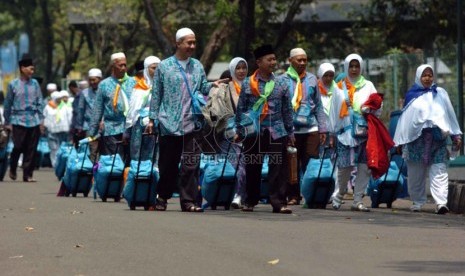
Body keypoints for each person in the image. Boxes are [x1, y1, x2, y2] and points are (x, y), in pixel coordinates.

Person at [146, 27, 227, 212]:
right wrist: (152, 120)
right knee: (168, 165)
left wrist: (212, 85)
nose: (192, 46)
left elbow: (202, 87)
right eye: (188, 42)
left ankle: (188, 201)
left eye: (194, 42)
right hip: (169, 123)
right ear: (178, 43)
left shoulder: (197, 65)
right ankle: (162, 197)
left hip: (192, 121)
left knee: (191, 163)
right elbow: (156, 94)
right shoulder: (164, 67)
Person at [393, 64, 462, 214]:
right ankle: (417, 201)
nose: (427, 78)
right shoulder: (412, 95)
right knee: (416, 172)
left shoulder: (441, 93)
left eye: (430, 75)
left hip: (438, 139)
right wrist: (400, 141)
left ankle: (441, 203)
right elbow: (405, 120)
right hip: (416, 140)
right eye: (424, 75)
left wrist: (455, 135)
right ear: (418, 76)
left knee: (439, 170)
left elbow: (449, 115)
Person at [235, 44, 295, 214]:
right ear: (259, 62)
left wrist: (290, 132)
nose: (273, 62)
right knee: (253, 167)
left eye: (274, 59)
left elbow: (287, 110)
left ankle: (278, 202)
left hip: (277, 131)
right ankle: (250, 200)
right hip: (255, 132)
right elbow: (241, 108)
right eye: (269, 59)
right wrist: (240, 130)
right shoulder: (248, 83)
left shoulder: (281, 83)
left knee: (278, 169)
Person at [328, 53, 379, 212]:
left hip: (364, 133)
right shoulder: (338, 88)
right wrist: (331, 133)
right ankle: (338, 196)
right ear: (346, 67)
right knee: (344, 167)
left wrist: (369, 109)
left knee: (364, 167)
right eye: (351, 66)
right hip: (344, 133)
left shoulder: (369, 85)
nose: (354, 69)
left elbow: (378, 106)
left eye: (357, 66)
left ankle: (358, 200)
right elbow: (333, 111)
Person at [280, 48, 327, 205]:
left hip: (311, 129)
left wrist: (323, 128)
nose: (302, 63)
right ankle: (293, 196)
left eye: (304, 60)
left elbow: (319, 106)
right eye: (299, 60)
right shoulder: (282, 80)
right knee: (292, 164)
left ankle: (310, 194)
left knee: (311, 163)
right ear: (290, 60)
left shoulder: (313, 79)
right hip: (291, 130)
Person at [207, 57, 248, 209]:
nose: (241, 71)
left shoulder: (252, 86)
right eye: (238, 68)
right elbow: (217, 111)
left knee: (248, 166)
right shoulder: (224, 88)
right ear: (232, 70)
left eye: (244, 68)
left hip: (249, 132)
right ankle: (235, 195)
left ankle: (243, 195)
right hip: (229, 133)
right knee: (235, 165)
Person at [3, 54, 45, 182]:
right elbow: (8, 103)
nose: (32, 71)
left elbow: (40, 101)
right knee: (18, 146)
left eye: (33, 69)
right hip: (17, 119)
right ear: (22, 68)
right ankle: (13, 167)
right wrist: (7, 121)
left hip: (33, 119)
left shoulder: (35, 84)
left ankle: (28, 174)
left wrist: (41, 121)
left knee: (31, 149)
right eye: (30, 69)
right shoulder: (13, 84)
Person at [88, 52, 135, 157]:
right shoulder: (104, 85)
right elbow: (97, 110)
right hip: (111, 130)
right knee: (114, 164)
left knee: (129, 163)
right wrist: (92, 133)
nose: (123, 68)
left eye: (125, 65)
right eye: (120, 65)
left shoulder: (133, 82)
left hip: (130, 129)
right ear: (113, 66)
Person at [125, 55, 160, 161]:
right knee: (138, 158)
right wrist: (127, 130)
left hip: (159, 127)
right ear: (146, 69)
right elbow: (132, 111)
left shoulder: (164, 86)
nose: (157, 71)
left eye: (159, 68)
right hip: (139, 129)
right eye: (154, 68)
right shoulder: (140, 87)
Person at [317, 62, 341, 200]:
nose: (328, 78)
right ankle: (320, 192)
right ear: (320, 75)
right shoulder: (315, 91)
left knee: (336, 164)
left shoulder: (337, 91)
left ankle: (335, 192)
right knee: (321, 163)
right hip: (320, 133)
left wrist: (333, 132)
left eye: (331, 75)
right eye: (325, 75)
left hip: (336, 133)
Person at [75, 68, 103, 161]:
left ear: (100, 79)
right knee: (92, 151)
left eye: (94, 79)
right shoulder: (84, 93)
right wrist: (79, 126)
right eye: (90, 80)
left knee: (104, 152)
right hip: (89, 127)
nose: (92, 82)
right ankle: (91, 173)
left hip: (104, 127)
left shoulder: (105, 90)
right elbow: (81, 110)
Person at [43, 90, 72, 167]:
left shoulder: (64, 106)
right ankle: (55, 164)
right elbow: (45, 117)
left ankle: (61, 163)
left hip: (63, 130)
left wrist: (69, 127)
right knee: (53, 148)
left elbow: (68, 118)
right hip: (51, 131)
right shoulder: (48, 107)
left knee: (62, 147)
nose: (60, 99)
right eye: (58, 98)